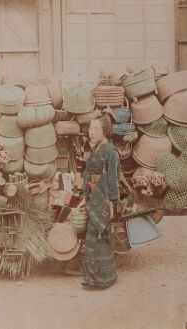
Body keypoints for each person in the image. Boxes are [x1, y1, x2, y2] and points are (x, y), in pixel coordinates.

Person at [77, 114, 120, 289]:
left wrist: (111, 203)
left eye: (96, 129)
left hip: (103, 200)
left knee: (101, 239)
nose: (91, 132)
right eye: (90, 128)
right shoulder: (96, 149)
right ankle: (94, 279)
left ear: (105, 131)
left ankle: (104, 279)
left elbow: (113, 179)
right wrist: (84, 197)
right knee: (93, 240)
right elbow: (92, 177)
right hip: (93, 199)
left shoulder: (111, 152)